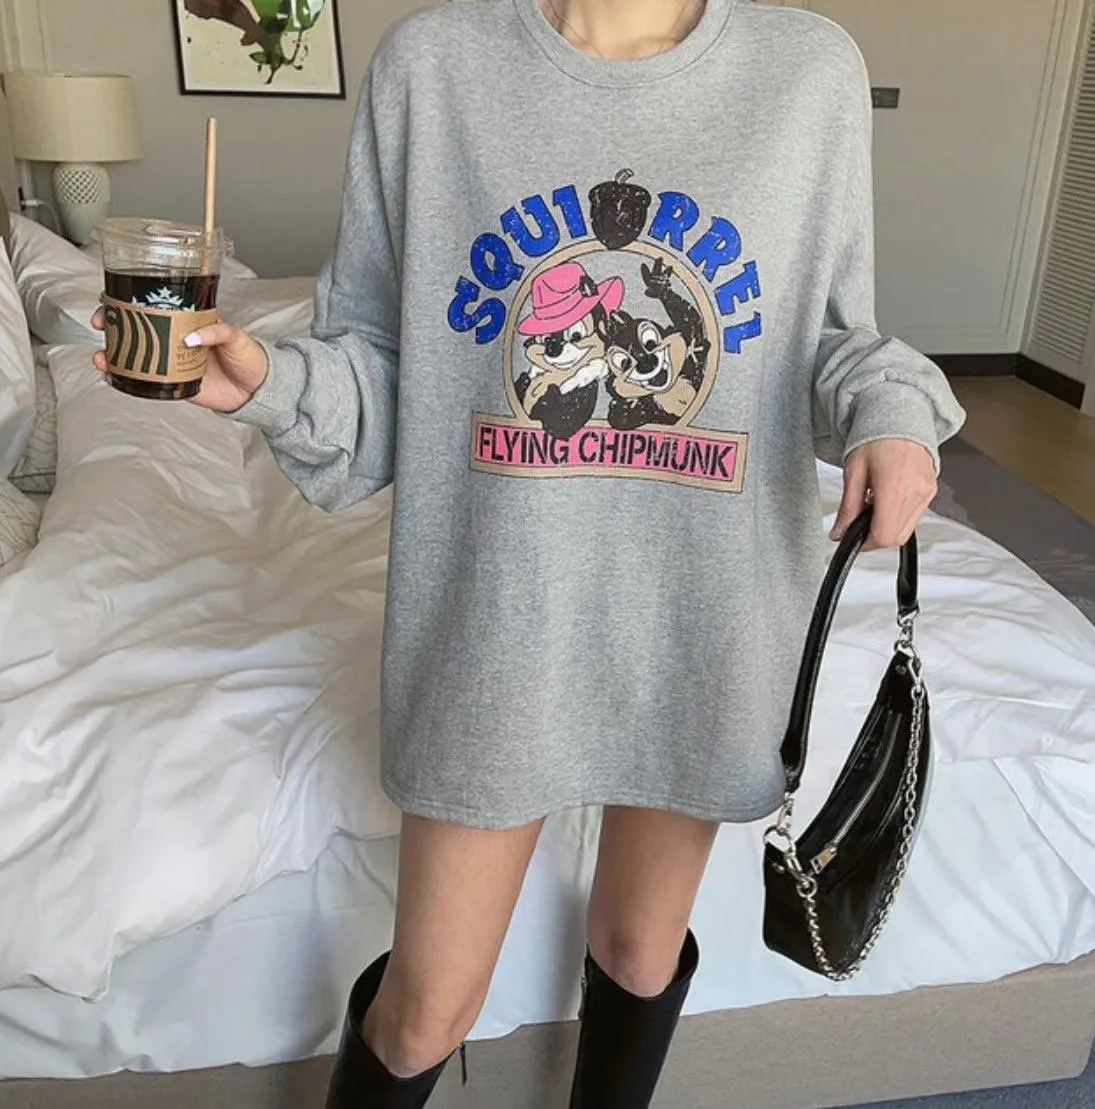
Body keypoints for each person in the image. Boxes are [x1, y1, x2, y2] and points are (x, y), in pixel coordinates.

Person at [95, 1, 965, 1105]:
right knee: (428, 1004)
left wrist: (895, 412)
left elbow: (830, 334)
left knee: (641, 950)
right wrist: (271, 385)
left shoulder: (807, 72)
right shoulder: (433, 69)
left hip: (703, 606)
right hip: (500, 610)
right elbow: (385, 366)